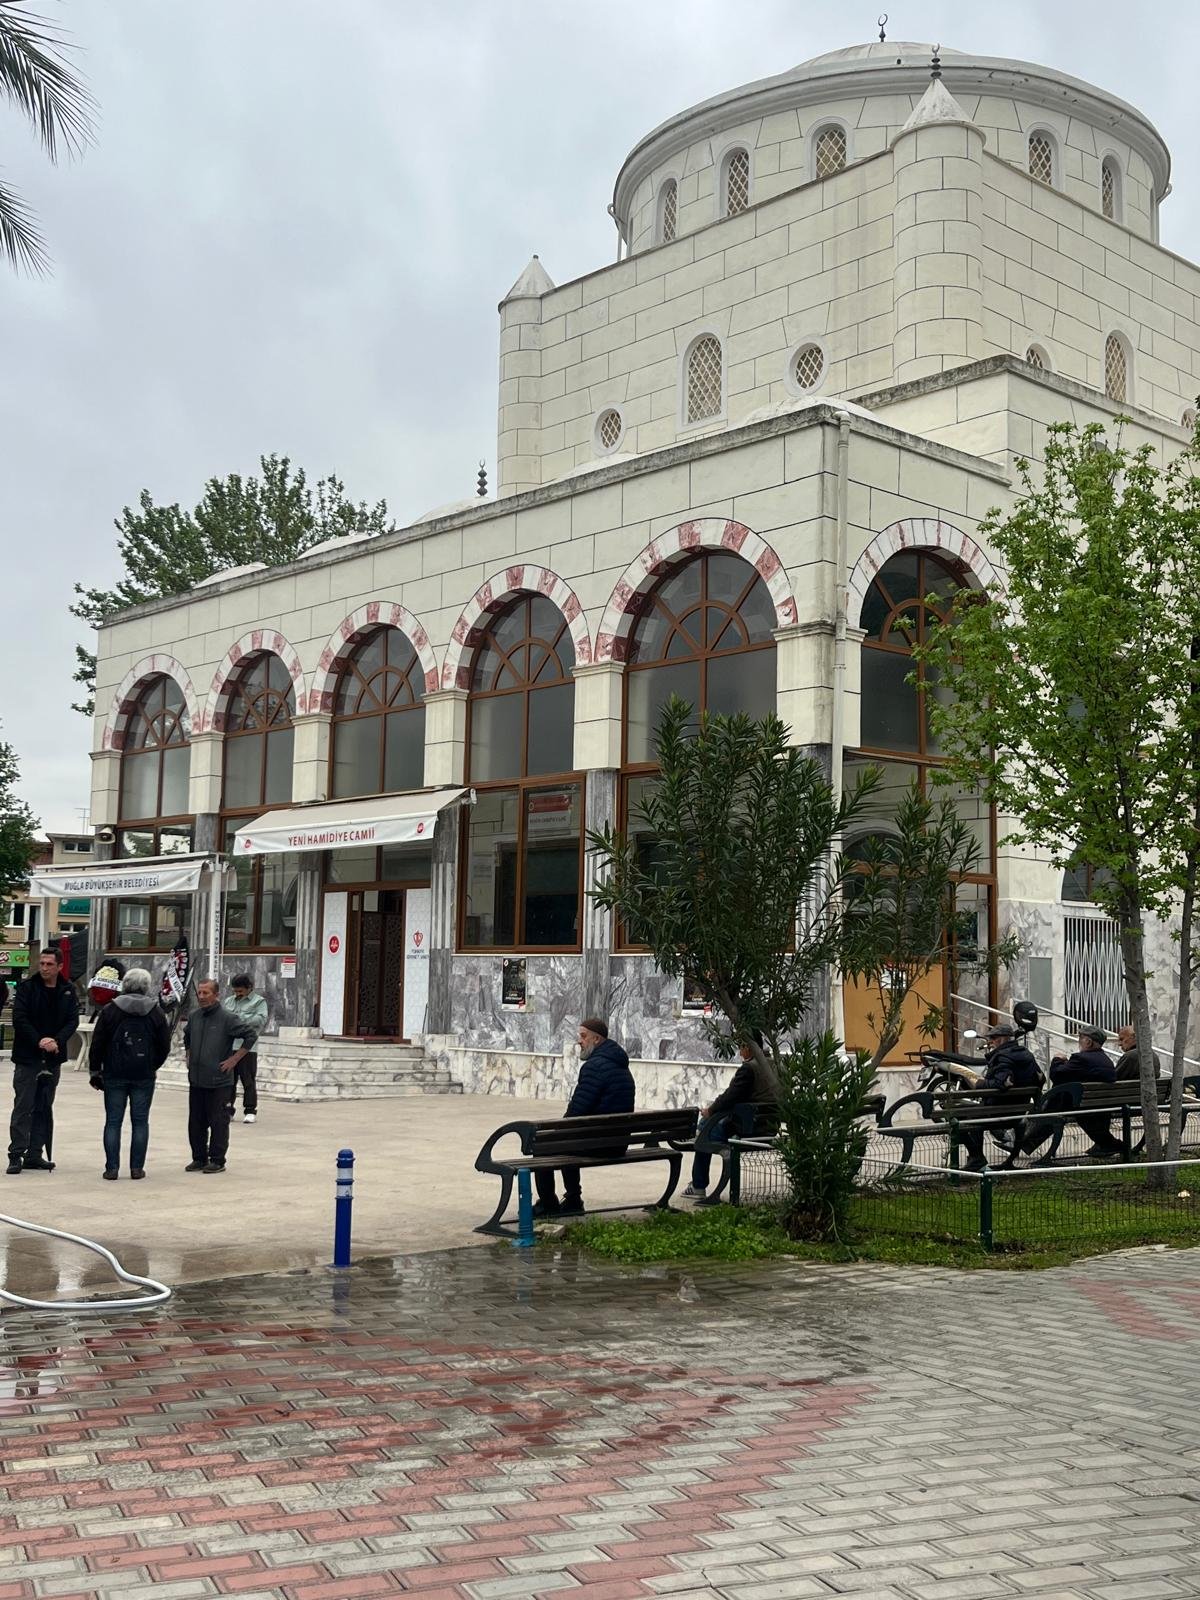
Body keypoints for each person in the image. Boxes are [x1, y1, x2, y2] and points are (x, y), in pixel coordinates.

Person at [533, 1018, 633, 1219]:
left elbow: (578, 1109)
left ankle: (549, 1203)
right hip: (618, 1142)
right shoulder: (621, 1065)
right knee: (566, 1140)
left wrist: (555, 1132)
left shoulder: (595, 1066)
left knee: (542, 1146)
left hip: (599, 1143)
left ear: (596, 1039)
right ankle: (572, 1200)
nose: (580, 1041)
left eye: (583, 1036)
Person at [87, 967, 171, 1180]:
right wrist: (152, 1065)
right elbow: (164, 1045)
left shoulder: (110, 1010)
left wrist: (95, 1070)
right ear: (146, 986)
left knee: (113, 1121)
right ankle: (136, 1168)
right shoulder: (156, 1011)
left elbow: (97, 1043)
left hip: (114, 1073)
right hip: (143, 1074)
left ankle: (112, 1168)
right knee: (140, 1121)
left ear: (124, 985)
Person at [6, 948, 79, 1175]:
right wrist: (39, 1040)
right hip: (28, 1057)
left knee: (44, 1107)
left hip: (53, 1058)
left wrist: (56, 1041)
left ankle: (35, 1154)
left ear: (59, 967)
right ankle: (16, 1154)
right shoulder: (28, 988)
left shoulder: (68, 990)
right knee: (23, 1106)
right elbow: (19, 1017)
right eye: (42, 964)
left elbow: (71, 1021)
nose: (45, 968)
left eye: (49, 964)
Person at [683, 1033, 775, 1199]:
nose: (740, 1053)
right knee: (706, 1126)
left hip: (746, 1130)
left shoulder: (749, 1068)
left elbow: (730, 1097)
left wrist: (710, 1110)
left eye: (741, 1048)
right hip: (769, 1129)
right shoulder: (777, 1066)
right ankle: (698, 1133)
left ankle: (698, 1186)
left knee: (705, 1132)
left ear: (748, 1047)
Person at [182, 977, 256, 1174]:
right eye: (200, 993)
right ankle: (198, 1157)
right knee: (195, 1123)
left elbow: (250, 1036)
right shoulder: (195, 1016)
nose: (202, 996)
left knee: (218, 1122)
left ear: (216, 995)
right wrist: (188, 1055)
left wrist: (234, 1059)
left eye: (206, 993)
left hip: (219, 1081)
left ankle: (217, 1160)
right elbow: (187, 1037)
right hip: (197, 1080)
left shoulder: (227, 1018)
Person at [958, 1022, 1042, 1172]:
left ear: (1003, 1039)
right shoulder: (1027, 1055)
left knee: (958, 1117)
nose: (991, 1041)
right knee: (971, 1113)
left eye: (994, 1038)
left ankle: (976, 1157)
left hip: (997, 1111)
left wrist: (979, 1083)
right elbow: (1040, 1078)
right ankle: (991, 1159)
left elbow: (1001, 1082)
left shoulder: (1003, 1056)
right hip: (1018, 1112)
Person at [226, 973, 268, 1123]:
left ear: (249, 988)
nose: (237, 994)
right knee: (229, 1080)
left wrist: (239, 1020)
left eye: (240, 991)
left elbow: (260, 1019)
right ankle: (228, 1109)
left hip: (247, 1048)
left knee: (248, 1080)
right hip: (229, 1046)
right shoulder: (229, 1002)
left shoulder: (259, 1002)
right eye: (235, 991)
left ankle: (250, 1110)